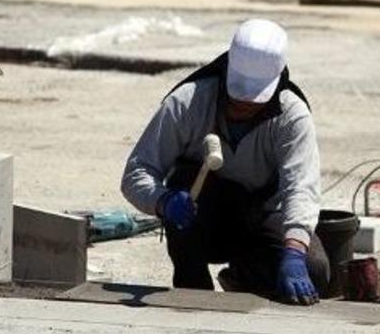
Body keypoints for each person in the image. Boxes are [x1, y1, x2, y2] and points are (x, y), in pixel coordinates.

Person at [121, 18, 328, 305]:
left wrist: (294, 250)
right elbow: (137, 171)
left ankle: (243, 278)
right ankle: (192, 292)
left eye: (254, 99)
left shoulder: (292, 115)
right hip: (203, 222)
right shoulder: (187, 102)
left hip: (261, 217)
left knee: (315, 269)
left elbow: (301, 188)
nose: (243, 105)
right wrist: (162, 201)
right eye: (237, 95)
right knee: (183, 187)